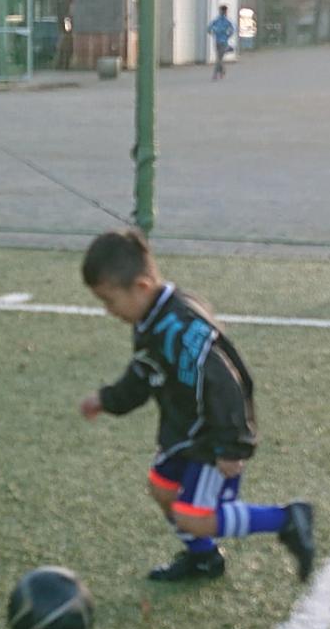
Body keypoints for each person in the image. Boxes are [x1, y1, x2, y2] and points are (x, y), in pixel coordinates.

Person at [78, 229, 314, 582]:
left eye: (109, 301)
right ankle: (204, 558)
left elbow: (225, 383)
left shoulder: (182, 328)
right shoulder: (151, 318)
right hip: (183, 431)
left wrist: (231, 445)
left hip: (211, 435)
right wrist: (107, 400)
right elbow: (144, 372)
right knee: (162, 488)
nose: (108, 311)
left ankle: (287, 519)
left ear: (141, 286)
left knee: (194, 517)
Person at [208, 5, 235, 81]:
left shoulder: (226, 21)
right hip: (218, 41)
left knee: (219, 58)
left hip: (223, 42)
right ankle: (222, 70)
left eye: (223, 11)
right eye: (222, 11)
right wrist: (213, 32)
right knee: (219, 58)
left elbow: (233, 29)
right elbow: (209, 28)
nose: (222, 12)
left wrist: (227, 35)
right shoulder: (217, 20)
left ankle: (215, 74)